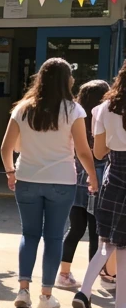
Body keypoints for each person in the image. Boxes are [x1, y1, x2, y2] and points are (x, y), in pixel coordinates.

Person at [0, 57, 97, 308]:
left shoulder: (22, 109)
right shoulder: (73, 110)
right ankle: (46, 295)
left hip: (27, 179)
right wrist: (93, 177)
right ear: (66, 81)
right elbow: (83, 151)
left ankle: (23, 290)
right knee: (54, 236)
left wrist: (10, 172)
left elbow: (5, 147)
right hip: (62, 181)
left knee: (29, 234)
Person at [72, 60, 126, 308]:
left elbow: (99, 152)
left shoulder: (103, 108)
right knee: (124, 247)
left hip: (114, 176)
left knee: (106, 242)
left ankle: (84, 291)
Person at [57, 80, 110, 290]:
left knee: (75, 229)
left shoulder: (75, 116)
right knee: (98, 231)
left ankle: (63, 273)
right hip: (96, 177)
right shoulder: (102, 117)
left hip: (76, 176)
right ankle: (93, 277)